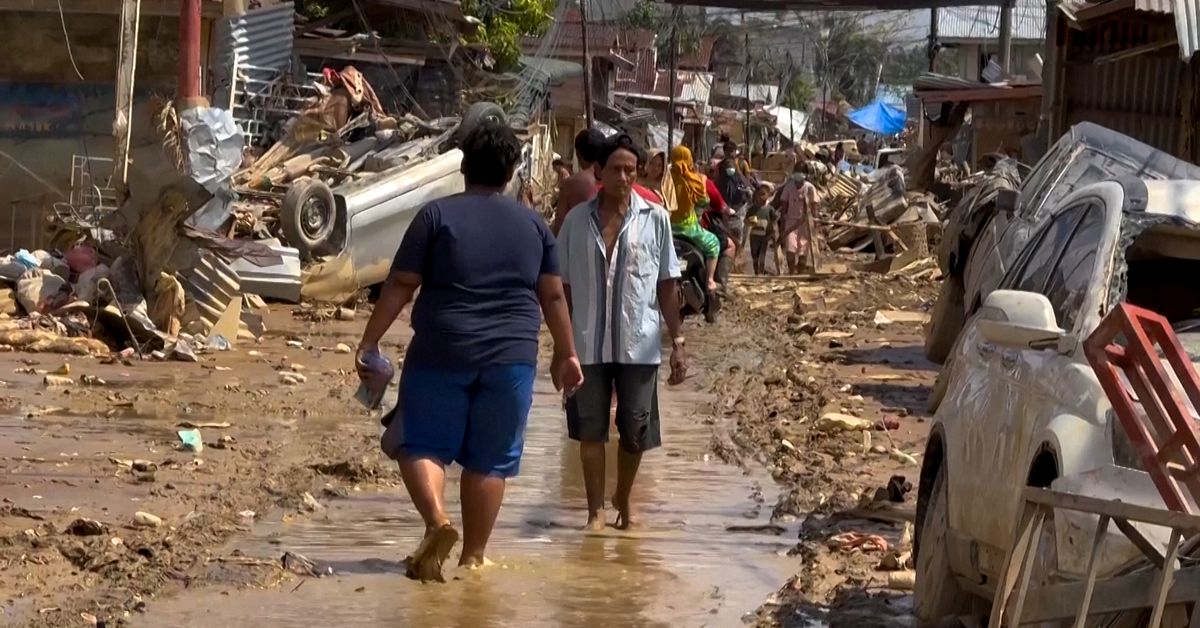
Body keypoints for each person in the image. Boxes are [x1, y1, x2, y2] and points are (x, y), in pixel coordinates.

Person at [357, 121, 584, 582]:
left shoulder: (435, 216)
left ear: (463, 165)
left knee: (421, 442)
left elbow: (402, 283)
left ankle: (438, 522)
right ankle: (475, 558)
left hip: (443, 348)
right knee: (490, 460)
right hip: (512, 357)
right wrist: (567, 352)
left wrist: (370, 339)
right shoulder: (535, 226)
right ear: (512, 171)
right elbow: (554, 295)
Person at [557, 134, 686, 531]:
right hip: (587, 345)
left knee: (635, 431)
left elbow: (667, 283)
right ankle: (595, 510)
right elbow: (561, 287)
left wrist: (678, 343)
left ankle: (623, 498)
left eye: (632, 170)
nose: (625, 177)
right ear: (599, 172)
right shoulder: (576, 222)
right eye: (616, 169)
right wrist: (562, 348)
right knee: (590, 431)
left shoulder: (656, 219)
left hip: (640, 344)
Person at [668, 145, 721, 296]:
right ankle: (710, 280)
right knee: (714, 243)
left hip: (667, 227)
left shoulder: (665, 177)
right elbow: (704, 201)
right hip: (688, 229)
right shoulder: (695, 179)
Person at [553, 128, 607, 235]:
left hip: (579, 246)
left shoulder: (571, 184)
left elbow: (559, 228)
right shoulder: (615, 179)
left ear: (578, 154)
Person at [773, 161, 820, 274]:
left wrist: (816, 223)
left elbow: (814, 206)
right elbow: (784, 204)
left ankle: (800, 273)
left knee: (803, 250)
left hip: (805, 223)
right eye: (797, 171)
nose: (799, 174)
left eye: (801, 172)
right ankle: (791, 271)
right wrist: (783, 223)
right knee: (790, 249)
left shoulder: (810, 188)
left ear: (806, 174)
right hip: (791, 222)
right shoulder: (789, 187)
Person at [746, 182, 776, 276]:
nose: (761, 197)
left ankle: (761, 273)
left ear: (768, 195)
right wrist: (750, 222)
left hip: (764, 236)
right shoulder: (752, 209)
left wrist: (772, 233)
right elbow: (746, 221)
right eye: (759, 195)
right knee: (755, 255)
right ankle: (756, 273)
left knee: (762, 255)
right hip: (754, 236)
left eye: (763, 194)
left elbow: (774, 221)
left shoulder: (770, 209)